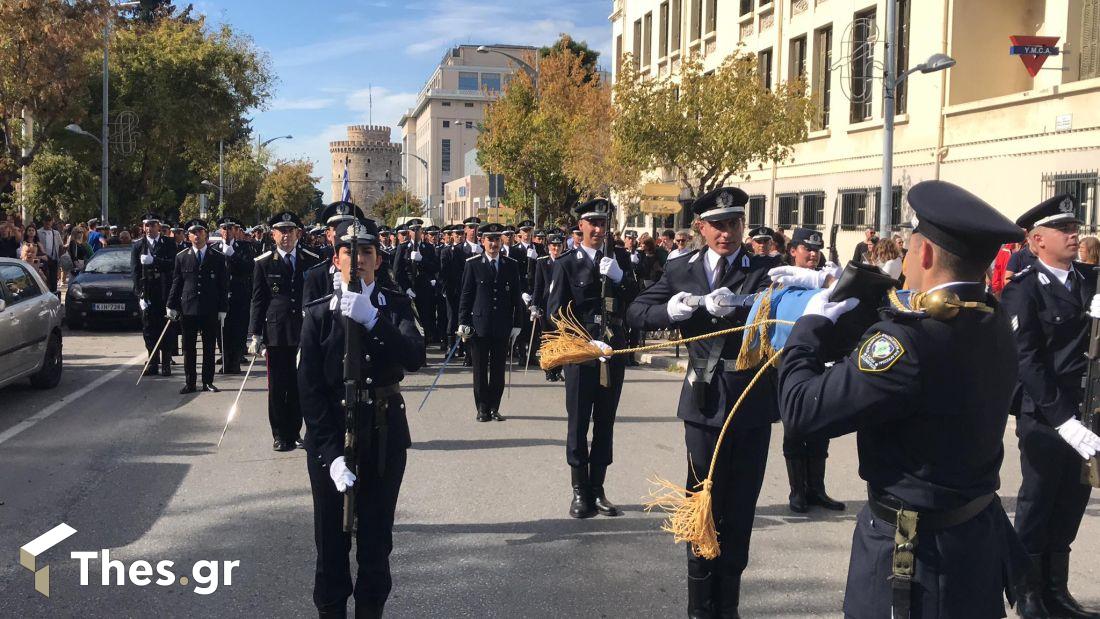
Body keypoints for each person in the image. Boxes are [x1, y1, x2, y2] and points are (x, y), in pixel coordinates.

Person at [777, 180, 1026, 618]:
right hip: (975, 541)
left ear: (926, 254)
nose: (905, 262)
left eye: (909, 251)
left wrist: (809, 327)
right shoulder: (992, 318)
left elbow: (800, 409)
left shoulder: (903, 344)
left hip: (916, 558)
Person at [626, 186, 779, 617]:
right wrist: (669, 312)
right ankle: (698, 607)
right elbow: (636, 311)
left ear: (742, 226)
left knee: (740, 508)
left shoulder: (765, 269)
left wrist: (753, 302)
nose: (725, 233)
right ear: (701, 227)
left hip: (749, 401)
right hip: (703, 399)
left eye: (733, 223)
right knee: (702, 504)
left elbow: (787, 311)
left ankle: (727, 607)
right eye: (717, 225)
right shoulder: (681, 269)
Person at [299, 218, 424, 618]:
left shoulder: (394, 305)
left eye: (366, 252)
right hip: (331, 441)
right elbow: (311, 391)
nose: (358, 260)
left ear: (378, 258)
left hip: (383, 438)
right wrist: (332, 456)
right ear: (336, 259)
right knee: (331, 552)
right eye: (350, 252)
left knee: (374, 547)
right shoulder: (319, 315)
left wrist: (373, 319)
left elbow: (414, 356)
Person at [1002, 193, 1100, 619]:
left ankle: (1056, 591)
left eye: (1074, 228)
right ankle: (1027, 594)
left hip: (1090, 412)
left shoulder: (1091, 279)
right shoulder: (1023, 291)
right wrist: (1063, 420)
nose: (1074, 235)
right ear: (1037, 240)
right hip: (1046, 416)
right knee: (1038, 503)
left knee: (1071, 502)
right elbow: (1027, 361)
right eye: (1064, 230)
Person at [548, 198, 638, 520]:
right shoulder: (566, 264)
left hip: (611, 353)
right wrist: (586, 340)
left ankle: (598, 488)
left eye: (603, 223)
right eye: (593, 223)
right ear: (581, 226)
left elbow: (634, 299)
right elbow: (556, 313)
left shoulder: (616, 259)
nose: (599, 229)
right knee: (578, 423)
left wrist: (619, 277)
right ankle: (579, 490)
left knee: (605, 423)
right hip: (581, 356)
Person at [779, 227, 845, 514]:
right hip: (792, 361)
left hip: (822, 360)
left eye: (816, 249)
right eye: (807, 248)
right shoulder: (784, 278)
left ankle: (816, 489)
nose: (813, 254)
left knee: (820, 426)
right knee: (795, 427)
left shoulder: (827, 279)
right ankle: (797, 492)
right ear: (793, 250)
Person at [249, 211, 322, 451]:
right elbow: (258, 300)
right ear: (273, 234)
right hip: (276, 333)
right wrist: (255, 334)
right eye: (282, 231)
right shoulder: (264, 262)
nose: (286, 236)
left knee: (300, 384)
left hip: (304, 331)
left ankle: (296, 431)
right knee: (278, 387)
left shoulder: (310, 259)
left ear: (298, 233)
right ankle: (280, 434)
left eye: (291, 230)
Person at [457, 222, 523, 422]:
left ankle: (495, 407)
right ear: (482, 241)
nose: (494, 244)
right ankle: (482, 408)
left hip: (502, 326)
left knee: (497, 370)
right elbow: (466, 296)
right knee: (479, 370)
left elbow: (516, 297)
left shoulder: (511, 265)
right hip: (479, 326)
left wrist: (517, 324)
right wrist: (463, 322)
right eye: (490, 239)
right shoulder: (473, 264)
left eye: (497, 239)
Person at [166, 219, 228, 394]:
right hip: (188, 308)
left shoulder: (217, 257)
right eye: (194, 232)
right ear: (188, 236)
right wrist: (171, 305)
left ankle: (207, 381)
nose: (197, 235)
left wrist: (223, 308)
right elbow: (177, 283)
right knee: (189, 348)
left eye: (201, 232)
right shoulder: (181, 257)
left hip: (210, 308)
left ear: (206, 234)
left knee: (209, 348)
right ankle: (190, 382)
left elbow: (223, 285)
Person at [131, 213, 177, 377]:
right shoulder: (138, 246)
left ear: (159, 226)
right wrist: (140, 294)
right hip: (148, 292)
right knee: (149, 329)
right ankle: (152, 361)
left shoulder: (169, 243)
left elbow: (173, 265)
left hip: (164, 291)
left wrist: (155, 260)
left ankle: (166, 363)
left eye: (152, 225)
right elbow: (135, 272)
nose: (149, 229)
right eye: (146, 225)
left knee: (166, 328)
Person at [392, 219, 440, 349]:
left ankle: (422, 353)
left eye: (418, 229)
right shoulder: (402, 248)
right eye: (413, 230)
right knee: (408, 321)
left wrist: (422, 259)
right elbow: (397, 271)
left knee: (424, 320)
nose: (416, 232)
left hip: (423, 289)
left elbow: (435, 267)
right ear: (409, 232)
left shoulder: (428, 248)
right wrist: (406, 288)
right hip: (408, 289)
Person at [216, 217, 255, 375]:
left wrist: (233, 255)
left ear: (235, 231)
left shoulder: (244, 247)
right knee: (222, 331)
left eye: (230, 228)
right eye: (224, 228)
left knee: (238, 329)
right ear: (220, 231)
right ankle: (226, 361)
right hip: (221, 296)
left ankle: (236, 361)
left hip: (239, 295)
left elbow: (248, 267)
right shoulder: (215, 249)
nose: (227, 232)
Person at [532, 232, 565, 382]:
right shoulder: (542, 262)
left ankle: (558, 369)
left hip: (562, 307)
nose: (556, 248)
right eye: (553, 246)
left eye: (558, 245)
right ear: (548, 247)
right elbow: (538, 286)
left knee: (560, 340)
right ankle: (548, 368)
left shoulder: (566, 261)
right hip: (546, 305)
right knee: (547, 338)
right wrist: (534, 305)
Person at [37, 215, 62, 293]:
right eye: (46, 221)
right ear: (43, 221)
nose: (48, 223)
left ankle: (53, 294)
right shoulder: (38, 232)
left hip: (54, 259)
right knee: (43, 280)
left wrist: (59, 258)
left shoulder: (56, 233)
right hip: (42, 260)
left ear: (52, 222)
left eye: (49, 221)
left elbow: (60, 245)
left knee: (53, 280)